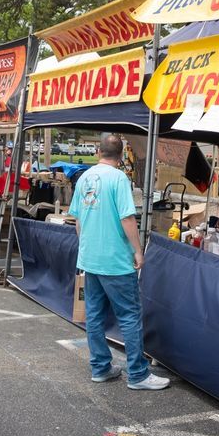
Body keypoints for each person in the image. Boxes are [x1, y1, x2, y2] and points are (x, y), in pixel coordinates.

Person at [69, 135, 169, 390]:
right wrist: (137, 250)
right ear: (122, 154)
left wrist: (87, 248)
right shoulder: (119, 179)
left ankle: (100, 367)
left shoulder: (84, 178)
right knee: (129, 315)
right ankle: (137, 373)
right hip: (115, 259)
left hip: (91, 257)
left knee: (94, 315)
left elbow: (78, 220)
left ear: (97, 151)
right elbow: (127, 218)